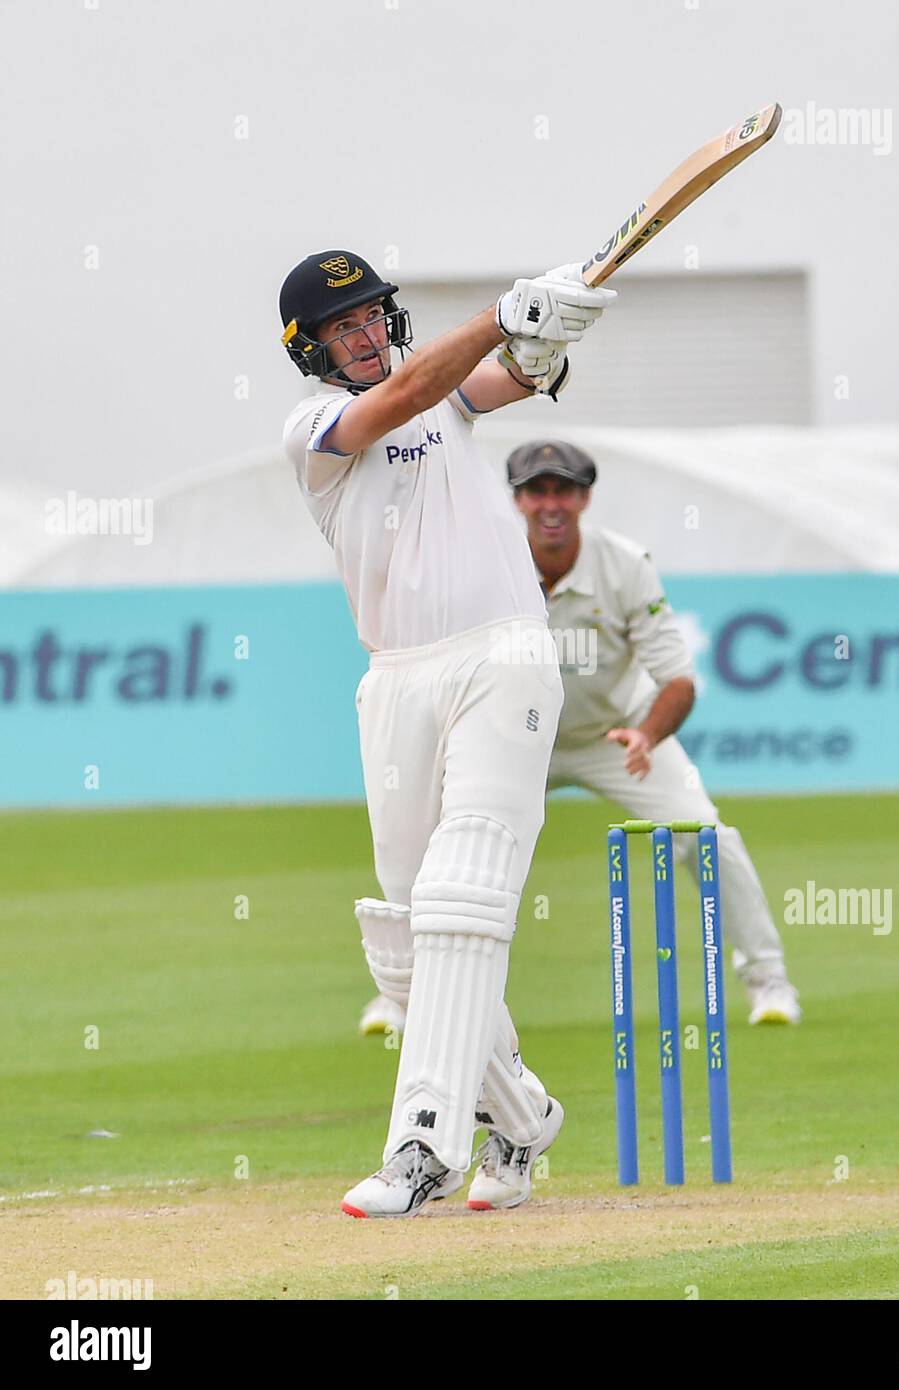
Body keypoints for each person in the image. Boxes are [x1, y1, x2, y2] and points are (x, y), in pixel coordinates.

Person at [279, 250, 616, 1217]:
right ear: (311, 350)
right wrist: (505, 311)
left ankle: (423, 1144)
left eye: (372, 317)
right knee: (410, 935)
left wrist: (548, 339)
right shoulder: (312, 431)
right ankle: (523, 1115)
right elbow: (422, 385)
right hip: (395, 680)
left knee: (465, 890)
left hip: (503, 654)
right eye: (341, 328)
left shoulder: (445, 397)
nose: (365, 337)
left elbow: (503, 378)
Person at [360, 440, 800, 1038]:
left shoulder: (625, 565)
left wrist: (646, 735)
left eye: (563, 489)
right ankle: (403, 996)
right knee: (434, 854)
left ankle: (769, 980)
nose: (551, 504)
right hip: (506, 740)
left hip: (611, 738)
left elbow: (677, 679)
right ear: (515, 500)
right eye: (537, 490)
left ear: (585, 497)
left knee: (708, 836)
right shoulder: (482, 563)